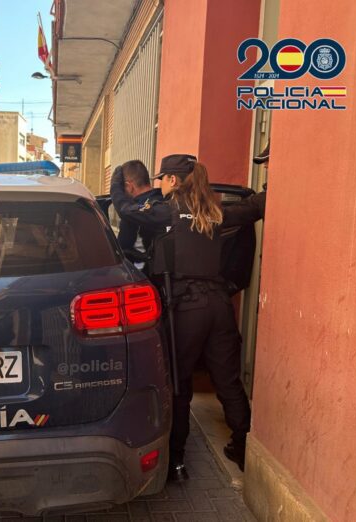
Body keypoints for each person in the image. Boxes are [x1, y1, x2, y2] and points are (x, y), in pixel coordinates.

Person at [110, 154, 265, 481]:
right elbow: (255, 207)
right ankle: (243, 448)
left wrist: (117, 179)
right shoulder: (215, 211)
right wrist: (272, 184)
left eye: (162, 178)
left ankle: (176, 461)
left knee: (179, 386)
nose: (160, 184)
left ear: (173, 180)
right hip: (219, 307)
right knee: (228, 381)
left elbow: (124, 208)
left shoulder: (166, 211)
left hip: (186, 309)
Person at [114, 160, 165, 253]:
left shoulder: (132, 212)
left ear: (129, 186)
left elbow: (122, 247)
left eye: (123, 188)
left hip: (141, 262)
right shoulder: (164, 201)